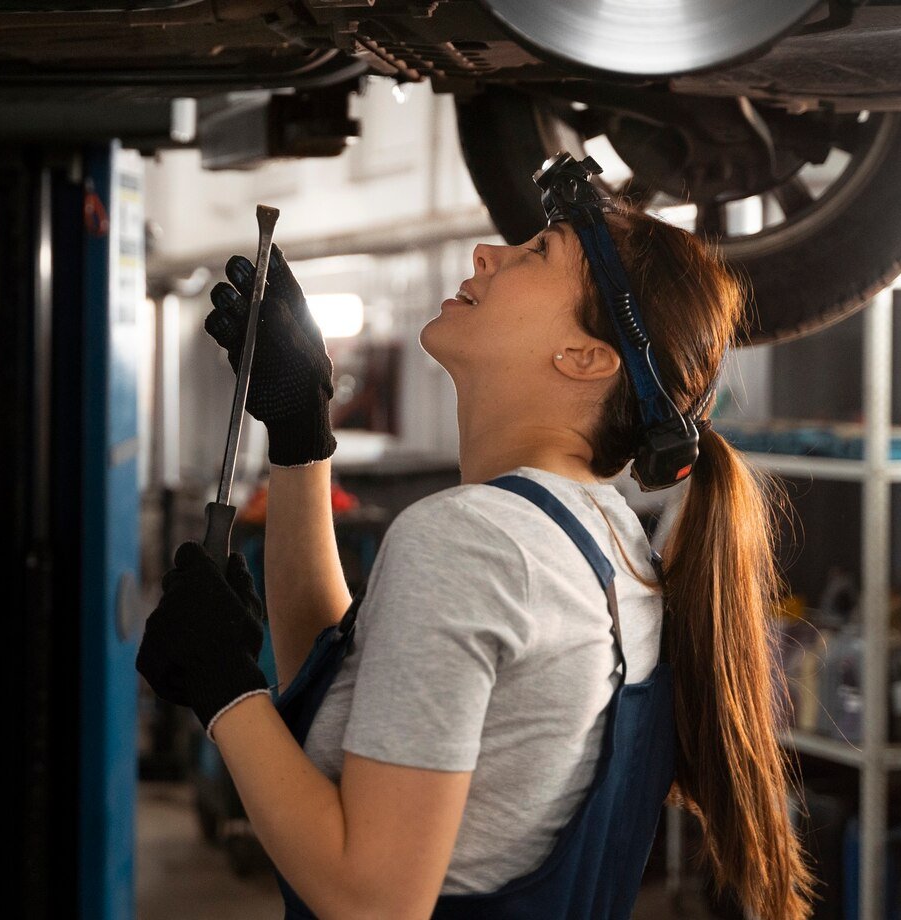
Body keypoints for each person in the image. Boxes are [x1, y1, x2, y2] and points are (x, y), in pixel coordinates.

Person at [136, 159, 813, 919]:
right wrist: (301, 434)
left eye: (538, 253)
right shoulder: (611, 549)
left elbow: (373, 902)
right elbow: (363, 705)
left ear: (586, 358)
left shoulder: (475, 543)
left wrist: (225, 691)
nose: (487, 253)